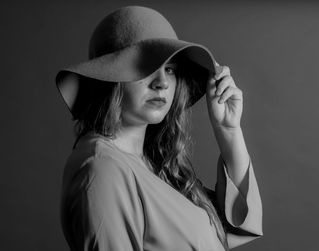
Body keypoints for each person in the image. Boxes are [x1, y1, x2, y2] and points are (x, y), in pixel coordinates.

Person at [55, 6, 263, 251]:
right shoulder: (103, 170)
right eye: (145, 66)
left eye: (170, 69)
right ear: (108, 76)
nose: (162, 82)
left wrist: (228, 129)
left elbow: (230, 230)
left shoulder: (152, 164)